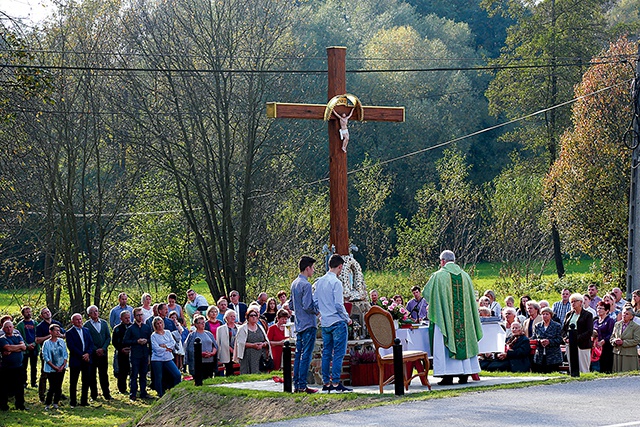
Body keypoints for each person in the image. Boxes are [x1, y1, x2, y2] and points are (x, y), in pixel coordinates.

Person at [423, 250, 483, 386]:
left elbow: (426, 293)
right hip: (464, 322)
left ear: (443, 261)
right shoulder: (465, 276)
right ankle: (465, 374)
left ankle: (448, 376)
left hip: (446, 319)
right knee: (464, 340)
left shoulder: (438, 276)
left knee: (446, 340)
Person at [314, 254, 352, 393]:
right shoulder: (336, 282)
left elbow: (315, 302)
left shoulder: (319, 281)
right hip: (337, 321)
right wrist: (347, 318)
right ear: (340, 267)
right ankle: (335, 383)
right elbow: (338, 304)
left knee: (326, 353)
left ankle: (326, 382)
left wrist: (320, 315)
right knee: (338, 354)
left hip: (325, 322)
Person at [290, 256, 319, 394]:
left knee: (298, 355)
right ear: (307, 268)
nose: (313, 270)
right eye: (312, 268)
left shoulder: (294, 283)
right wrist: (317, 309)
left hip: (299, 323)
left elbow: (291, 304)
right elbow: (308, 305)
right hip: (308, 323)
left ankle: (297, 384)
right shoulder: (306, 285)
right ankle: (302, 385)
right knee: (306, 355)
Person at [35, 308, 65, 403]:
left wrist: (58, 335)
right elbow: (37, 340)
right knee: (45, 374)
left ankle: (57, 393)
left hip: (58, 352)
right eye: (44, 313)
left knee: (59, 373)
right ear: (42, 316)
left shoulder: (57, 323)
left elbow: (64, 335)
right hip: (47, 352)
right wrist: (50, 336)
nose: (47, 313)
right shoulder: (40, 326)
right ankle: (42, 395)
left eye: (48, 311)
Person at [123, 307, 152, 401]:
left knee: (143, 375)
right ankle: (133, 394)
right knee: (134, 375)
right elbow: (125, 341)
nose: (140, 317)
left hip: (144, 354)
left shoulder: (146, 327)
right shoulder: (131, 328)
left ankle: (143, 392)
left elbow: (151, 339)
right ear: (134, 317)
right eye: (138, 315)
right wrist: (136, 341)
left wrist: (146, 341)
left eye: (141, 315)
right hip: (135, 354)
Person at [84, 305, 112, 401]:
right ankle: (94, 395)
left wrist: (103, 348)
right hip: (93, 354)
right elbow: (87, 340)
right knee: (92, 374)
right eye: (93, 312)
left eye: (96, 311)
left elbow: (108, 337)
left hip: (103, 353)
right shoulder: (87, 326)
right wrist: (96, 349)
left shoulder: (104, 323)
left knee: (104, 374)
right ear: (89, 314)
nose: (95, 313)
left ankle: (106, 393)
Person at [66, 313, 94, 408]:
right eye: (77, 320)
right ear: (72, 321)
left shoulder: (86, 330)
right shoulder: (69, 332)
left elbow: (91, 343)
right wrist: (82, 355)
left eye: (80, 319)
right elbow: (71, 347)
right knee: (73, 381)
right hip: (76, 360)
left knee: (86, 381)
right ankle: (73, 401)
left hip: (86, 359)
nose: (79, 321)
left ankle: (84, 401)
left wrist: (88, 354)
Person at [561, 293, 594, 374]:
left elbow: (589, 331)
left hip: (582, 344)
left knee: (583, 367)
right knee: (572, 365)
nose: (573, 304)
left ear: (581, 302)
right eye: (571, 302)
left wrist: (575, 339)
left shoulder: (587, 315)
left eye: (575, 301)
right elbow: (564, 329)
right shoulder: (568, 314)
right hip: (570, 344)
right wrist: (565, 338)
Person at [150, 317, 182, 397]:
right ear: (155, 325)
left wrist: (165, 346)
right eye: (157, 324)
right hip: (157, 359)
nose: (160, 325)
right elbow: (156, 348)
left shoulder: (167, 332)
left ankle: (175, 390)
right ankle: (160, 393)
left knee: (177, 374)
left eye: (161, 323)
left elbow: (173, 343)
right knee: (159, 376)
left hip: (168, 357)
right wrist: (167, 348)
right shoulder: (153, 336)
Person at [234, 306, 271, 374]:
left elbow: (266, 341)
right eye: (251, 315)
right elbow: (240, 343)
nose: (254, 317)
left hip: (260, 356)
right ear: (247, 317)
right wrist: (253, 345)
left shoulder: (260, 327)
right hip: (247, 356)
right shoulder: (242, 328)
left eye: (255, 315)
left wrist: (263, 344)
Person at [0, 320, 27, 411]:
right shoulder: (2, 339)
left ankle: (20, 405)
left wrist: (12, 349)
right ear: (3, 329)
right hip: (6, 368)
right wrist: (17, 347)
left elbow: (24, 347)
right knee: (4, 387)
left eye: (10, 327)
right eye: (6, 327)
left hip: (18, 366)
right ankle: (4, 406)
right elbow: (7, 347)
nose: (9, 329)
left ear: (13, 327)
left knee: (20, 386)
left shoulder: (18, 336)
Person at [41, 323, 67, 410]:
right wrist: (54, 367)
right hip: (51, 369)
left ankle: (56, 402)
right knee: (52, 386)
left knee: (59, 386)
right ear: (50, 332)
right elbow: (45, 356)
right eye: (56, 330)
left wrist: (63, 365)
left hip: (61, 367)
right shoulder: (46, 343)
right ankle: (48, 403)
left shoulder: (61, 342)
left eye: (59, 331)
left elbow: (65, 354)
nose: (58, 332)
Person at [185, 315, 218, 379]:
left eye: (204, 322)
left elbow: (215, 345)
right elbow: (190, 349)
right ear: (196, 324)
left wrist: (212, 353)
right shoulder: (192, 335)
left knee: (209, 379)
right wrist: (200, 354)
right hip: (198, 362)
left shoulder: (209, 334)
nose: (203, 324)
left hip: (209, 361)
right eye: (201, 323)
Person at [532, 307, 563, 373]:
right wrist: (540, 341)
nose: (545, 316)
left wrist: (549, 342)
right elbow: (534, 338)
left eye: (547, 314)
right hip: (540, 355)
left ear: (551, 315)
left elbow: (560, 339)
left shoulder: (557, 326)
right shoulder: (537, 326)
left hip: (553, 356)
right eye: (543, 314)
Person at [611, 307, 640, 372]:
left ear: (631, 317)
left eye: (627, 314)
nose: (624, 315)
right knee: (617, 375)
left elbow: (636, 340)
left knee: (628, 375)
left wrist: (623, 342)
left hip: (629, 355)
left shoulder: (636, 327)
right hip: (617, 353)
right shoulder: (617, 324)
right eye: (623, 313)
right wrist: (615, 341)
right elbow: (612, 337)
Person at [16, 306, 38, 388]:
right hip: (24, 349)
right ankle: (24, 382)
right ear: (23, 314)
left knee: (34, 366)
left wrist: (34, 344)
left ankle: (33, 382)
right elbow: (19, 336)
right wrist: (27, 345)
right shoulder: (20, 325)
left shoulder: (35, 323)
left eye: (29, 312)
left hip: (34, 348)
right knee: (23, 366)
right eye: (26, 312)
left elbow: (37, 335)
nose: (28, 313)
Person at [112, 310, 132, 394]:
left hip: (132, 352)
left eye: (128, 318)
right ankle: (122, 389)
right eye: (126, 318)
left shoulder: (132, 326)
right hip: (121, 352)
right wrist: (121, 349)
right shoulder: (117, 328)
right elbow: (114, 341)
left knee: (132, 371)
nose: (127, 319)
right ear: (121, 318)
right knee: (122, 371)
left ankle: (133, 387)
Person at [592, 301, 615, 373]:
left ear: (607, 310)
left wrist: (603, 341)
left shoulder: (610, 320)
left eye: (601, 308)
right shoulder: (595, 321)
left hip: (606, 347)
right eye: (598, 308)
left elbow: (611, 333)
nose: (599, 310)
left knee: (606, 367)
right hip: (596, 347)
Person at [217, 310, 239, 377]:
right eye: (231, 316)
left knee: (238, 369)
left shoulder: (239, 327)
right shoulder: (220, 329)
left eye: (234, 316)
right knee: (229, 370)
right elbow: (219, 342)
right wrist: (230, 348)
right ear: (226, 318)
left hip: (238, 351)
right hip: (226, 352)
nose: (233, 318)